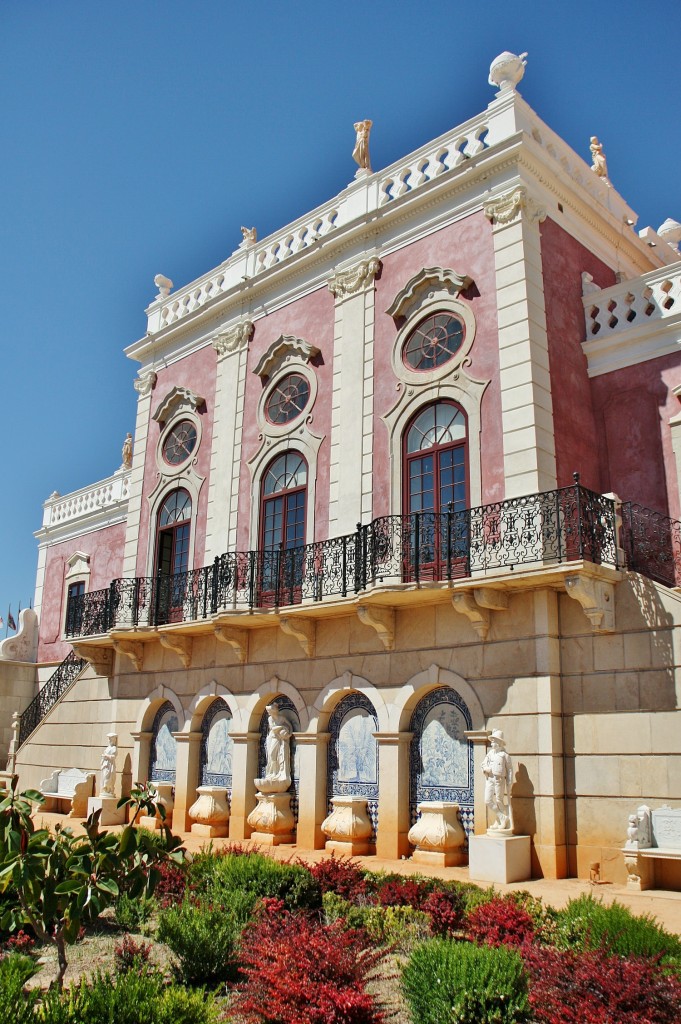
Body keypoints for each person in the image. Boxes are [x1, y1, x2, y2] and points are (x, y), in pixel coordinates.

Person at [481, 729, 513, 831]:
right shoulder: (490, 753)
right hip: (490, 779)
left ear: (499, 742)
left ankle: (499, 821)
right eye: (491, 741)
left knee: (499, 800)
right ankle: (502, 817)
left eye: (493, 741)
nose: (491, 743)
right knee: (487, 800)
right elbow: (483, 764)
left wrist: (510, 782)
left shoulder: (505, 755)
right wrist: (485, 769)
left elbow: (510, 770)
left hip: (499, 780)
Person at [259, 705, 292, 787]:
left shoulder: (282, 718)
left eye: (269, 711)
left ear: (273, 711)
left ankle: (277, 773)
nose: (268, 713)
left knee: (276, 755)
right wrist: (282, 727)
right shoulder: (270, 719)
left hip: (278, 738)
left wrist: (288, 733)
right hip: (272, 738)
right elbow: (273, 728)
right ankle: (273, 773)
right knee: (271, 756)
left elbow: (290, 726)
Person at [100, 732, 118, 797]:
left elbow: (113, 756)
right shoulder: (108, 748)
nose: (109, 740)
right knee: (104, 776)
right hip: (105, 764)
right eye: (109, 739)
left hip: (110, 765)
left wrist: (106, 756)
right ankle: (105, 789)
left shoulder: (114, 748)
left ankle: (108, 789)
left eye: (110, 739)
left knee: (108, 777)